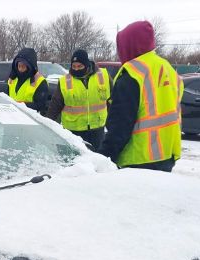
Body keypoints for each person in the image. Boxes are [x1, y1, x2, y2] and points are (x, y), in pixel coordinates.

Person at [98, 21, 184, 171]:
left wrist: (102, 158)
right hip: (167, 155)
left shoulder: (133, 73)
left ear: (129, 46)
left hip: (138, 158)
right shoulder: (168, 69)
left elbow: (120, 125)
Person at [46, 49, 110, 151]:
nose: (76, 69)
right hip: (73, 132)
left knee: (97, 158)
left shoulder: (103, 76)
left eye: (80, 66)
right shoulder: (64, 81)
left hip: (97, 130)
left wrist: (113, 125)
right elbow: (55, 106)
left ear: (87, 65)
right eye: (74, 66)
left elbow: (112, 100)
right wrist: (48, 125)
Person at [7, 48, 49, 115]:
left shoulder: (40, 81)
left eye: (23, 66)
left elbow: (41, 105)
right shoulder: (12, 79)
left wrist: (21, 105)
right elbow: (7, 98)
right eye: (19, 66)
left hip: (29, 118)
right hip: (11, 116)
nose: (20, 69)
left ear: (30, 66)